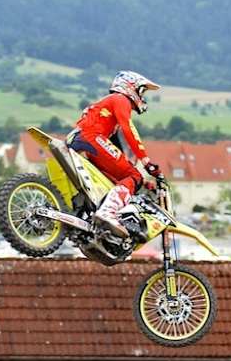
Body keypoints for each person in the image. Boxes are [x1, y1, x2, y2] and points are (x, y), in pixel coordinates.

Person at [68, 71, 162, 237]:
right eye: (142, 91)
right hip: (92, 137)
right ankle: (108, 213)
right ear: (131, 86)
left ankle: (84, 218)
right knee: (134, 175)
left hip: (84, 138)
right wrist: (145, 161)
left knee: (122, 178)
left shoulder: (110, 103)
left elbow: (117, 150)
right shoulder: (121, 100)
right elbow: (129, 129)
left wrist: (141, 185)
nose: (142, 96)